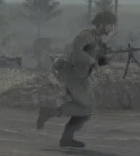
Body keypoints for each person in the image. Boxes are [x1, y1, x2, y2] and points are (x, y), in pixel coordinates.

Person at [37, 9, 117, 148]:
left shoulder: (97, 40)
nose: (111, 28)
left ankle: (66, 138)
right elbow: (76, 50)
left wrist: (105, 60)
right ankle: (49, 112)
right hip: (72, 74)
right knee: (86, 107)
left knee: (86, 111)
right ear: (101, 24)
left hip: (81, 77)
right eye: (110, 24)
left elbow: (96, 59)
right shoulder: (86, 35)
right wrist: (91, 60)